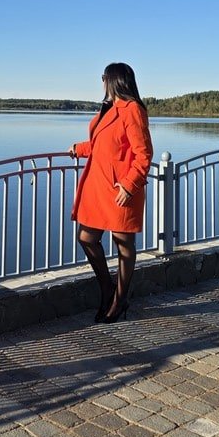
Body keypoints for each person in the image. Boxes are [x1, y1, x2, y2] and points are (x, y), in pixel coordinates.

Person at [69, 63, 153, 323]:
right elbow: (102, 144)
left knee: (123, 244)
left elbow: (143, 154)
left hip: (120, 189)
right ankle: (107, 287)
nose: (102, 81)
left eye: (104, 77)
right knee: (86, 237)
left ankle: (119, 300)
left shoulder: (133, 109)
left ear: (113, 80)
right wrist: (79, 149)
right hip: (99, 187)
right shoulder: (108, 108)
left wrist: (129, 185)